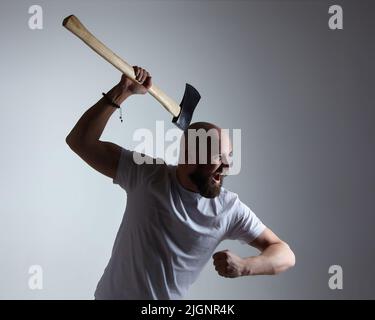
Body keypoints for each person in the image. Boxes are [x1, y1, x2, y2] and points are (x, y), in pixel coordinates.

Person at [66, 66, 295, 299]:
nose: (227, 166)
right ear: (189, 156)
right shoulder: (146, 174)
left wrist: (246, 266)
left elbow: (285, 254)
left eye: (229, 157)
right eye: (218, 156)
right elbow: (80, 141)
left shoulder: (228, 209)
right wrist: (122, 90)